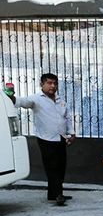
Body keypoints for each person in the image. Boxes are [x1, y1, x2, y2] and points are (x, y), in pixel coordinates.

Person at [7, 73, 75, 206]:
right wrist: (10, 96)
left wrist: (71, 133)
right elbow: (21, 102)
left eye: (55, 83)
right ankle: (58, 195)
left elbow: (67, 118)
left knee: (61, 167)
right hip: (46, 139)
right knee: (52, 167)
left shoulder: (61, 101)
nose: (53, 86)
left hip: (60, 138)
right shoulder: (36, 99)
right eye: (49, 83)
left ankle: (53, 194)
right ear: (42, 85)